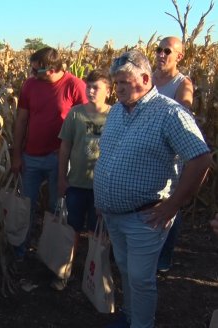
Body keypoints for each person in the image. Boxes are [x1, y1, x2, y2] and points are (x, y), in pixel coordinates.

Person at [93, 50, 211, 328]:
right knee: (126, 271)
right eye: (116, 82)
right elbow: (108, 156)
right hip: (114, 213)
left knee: (141, 278)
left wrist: (173, 205)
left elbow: (201, 158)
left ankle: (142, 324)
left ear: (145, 79)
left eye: (123, 82)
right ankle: (131, 316)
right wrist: (103, 198)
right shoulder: (117, 113)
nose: (118, 89)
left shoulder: (170, 113)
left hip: (146, 216)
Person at [12, 47, 87, 260]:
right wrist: (17, 155)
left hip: (59, 160)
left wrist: (72, 154)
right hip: (31, 157)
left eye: (38, 71)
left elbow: (86, 123)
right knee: (26, 207)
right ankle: (20, 250)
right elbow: (22, 120)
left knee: (57, 209)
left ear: (53, 68)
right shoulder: (30, 85)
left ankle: (54, 256)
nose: (33, 74)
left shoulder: (75, 85)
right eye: (32, 69)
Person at [56, 69, 111, 290]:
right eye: (88, 86)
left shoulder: (116, 115)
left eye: (96, 87)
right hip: (77, 183)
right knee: (72, 230)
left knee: (99, 234)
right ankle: (65, 272)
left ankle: (95, 277)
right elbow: (65, 146)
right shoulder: (75, 114)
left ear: (108, 90)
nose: (90, 90)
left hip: (103, 188)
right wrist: (61, 177)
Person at [153, 36, 194, 273]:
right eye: (158, 50)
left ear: (179, 56)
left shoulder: (182, 84)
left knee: (170, 202)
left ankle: (164, 258)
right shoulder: (149, 78)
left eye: (167, 51)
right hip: (146, 150)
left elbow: (184, 111)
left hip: (170, 155)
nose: (161, 54)